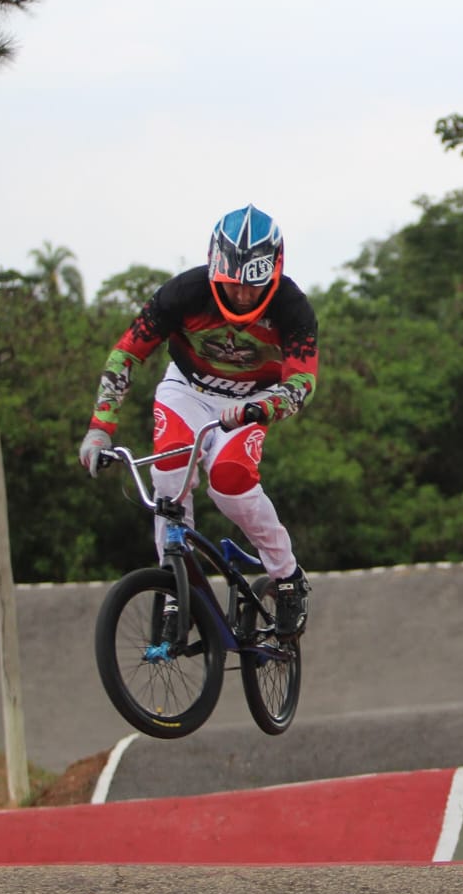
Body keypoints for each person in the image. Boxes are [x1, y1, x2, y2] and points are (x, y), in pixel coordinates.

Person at [78, 205, 318, 637]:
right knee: (169, 477)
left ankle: (287, 576)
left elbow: (302, 382)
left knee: (230, 483)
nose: (242, 296)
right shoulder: (183, 293)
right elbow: (126, 353)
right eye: (231, 285)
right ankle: (176, 591)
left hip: (251, 400)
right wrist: (100, 428)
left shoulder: (292, 306)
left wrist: (263, 408)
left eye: (253, 285)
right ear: (215, 271)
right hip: (187, 389)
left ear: (273, 274)